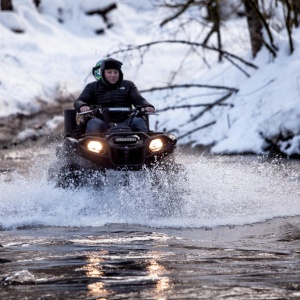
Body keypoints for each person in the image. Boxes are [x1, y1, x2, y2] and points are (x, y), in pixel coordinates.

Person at [74, 57, 155, 134]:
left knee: (139, 121)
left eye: (115, 72)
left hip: (127, 121)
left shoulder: (129, 85)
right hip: (102, 122)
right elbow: (79, 101)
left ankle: (144, 146)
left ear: (120, 73)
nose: (113, 75)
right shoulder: (92, 87)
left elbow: (138, 99)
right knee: (93, 124)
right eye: (109, 72)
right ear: (103, 73)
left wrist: (147, 105)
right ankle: (91, 148)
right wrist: (82, 106)